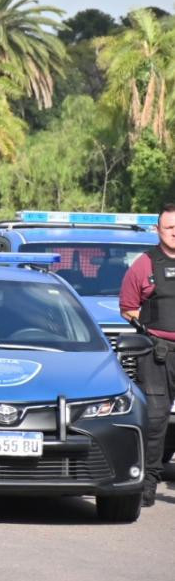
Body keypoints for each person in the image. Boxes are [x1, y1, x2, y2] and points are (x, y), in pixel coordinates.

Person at [119, 203, 175, 507]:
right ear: (158, 231)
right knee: (155, 421)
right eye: (170, 228)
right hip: (157, 353)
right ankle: (148, 485)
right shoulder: (144, 264)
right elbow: (127, 306)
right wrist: (151, 326)